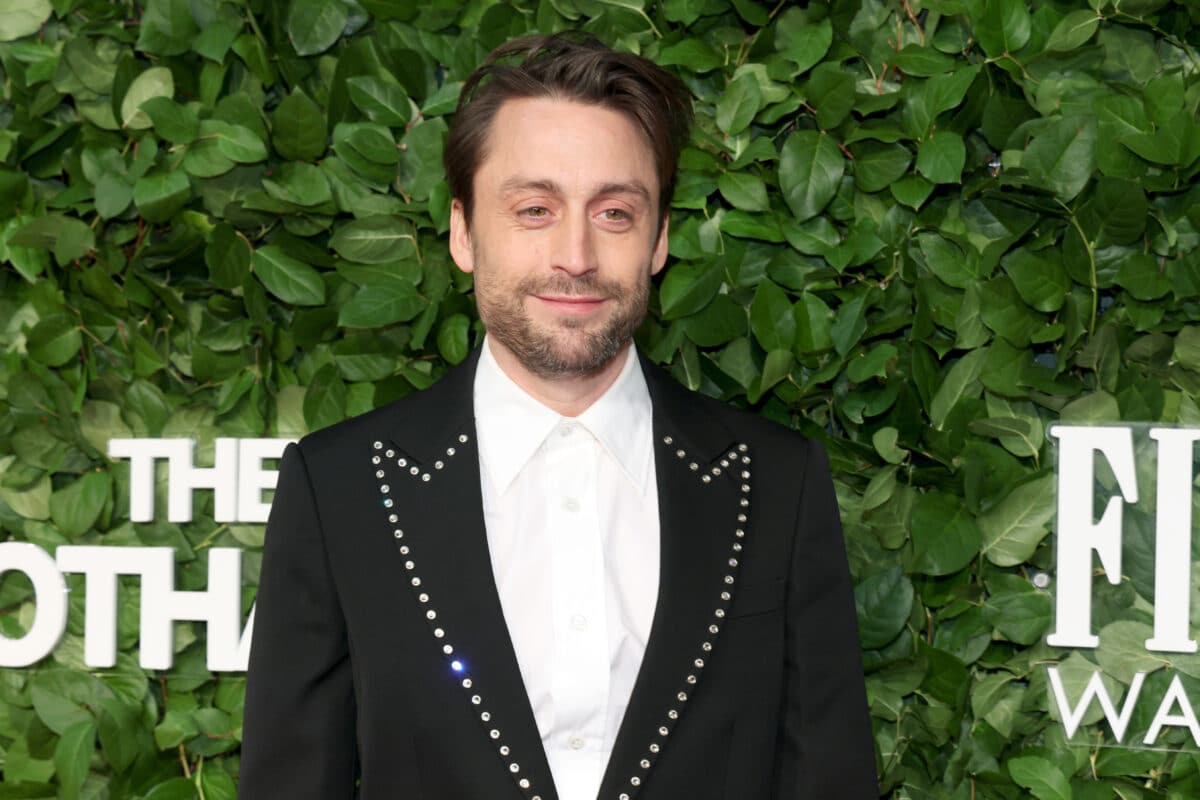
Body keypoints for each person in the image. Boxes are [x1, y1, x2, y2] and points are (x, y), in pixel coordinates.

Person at [238, 33, 877, 800]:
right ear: (464, 232)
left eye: (614, 211)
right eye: (534, 209)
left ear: (659, 239)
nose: (575, 254)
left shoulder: (777, 483)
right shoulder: (339, 487)